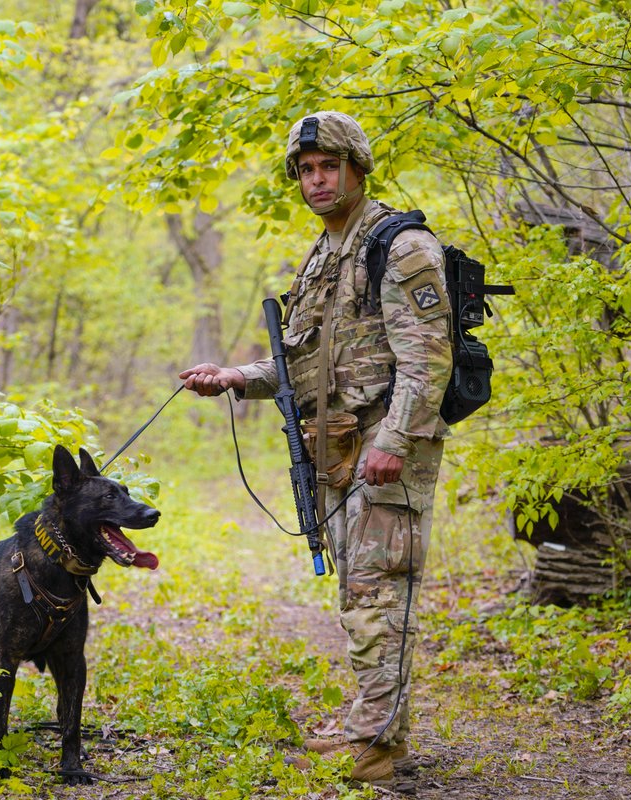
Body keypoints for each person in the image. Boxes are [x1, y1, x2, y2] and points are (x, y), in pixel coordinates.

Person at [178, 111, 453, 785]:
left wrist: (393, 438)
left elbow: (428, 358)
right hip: (336, 448)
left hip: (383, 448)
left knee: (375, 591)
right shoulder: (325, 253)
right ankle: (373, 726)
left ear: (356, 168)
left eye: (328, 166)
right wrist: (237, 377)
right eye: (305, 170)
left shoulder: (401, 244)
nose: (316, 180)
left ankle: (378, 746)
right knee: (359, 594)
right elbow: (302, 363)